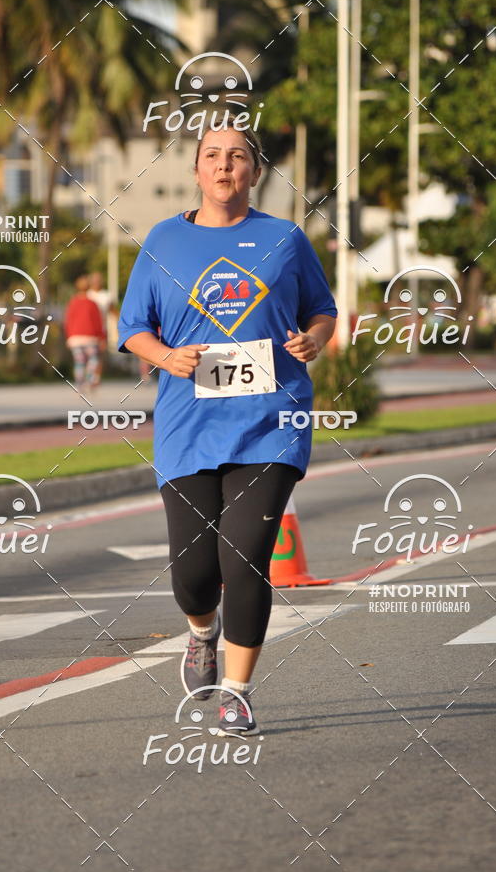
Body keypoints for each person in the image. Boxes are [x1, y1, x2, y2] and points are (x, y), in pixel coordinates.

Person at [118, 122, 337, 736]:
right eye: (212, 155)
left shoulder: (286, 239)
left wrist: (313, 340)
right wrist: (166, 357)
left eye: (237, 156)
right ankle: (200, 630)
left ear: (255, 172)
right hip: (188, 425)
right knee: (193, 573)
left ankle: (237, 693)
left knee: (245, 558)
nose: (224, 166)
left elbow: (323, 309)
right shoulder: (162, 241)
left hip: (272, 422)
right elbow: (134, 327)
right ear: (195, 172)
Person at [64, 274, 106, 392]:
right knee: (93, 359)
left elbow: (68, 321)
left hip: (75, 338)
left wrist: (69, 336)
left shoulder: (72, 303)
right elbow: (98, 322)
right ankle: (89, 380)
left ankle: (79, 384)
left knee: (79, 362)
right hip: (90, 337)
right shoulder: (92, 303)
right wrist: (101, 337)